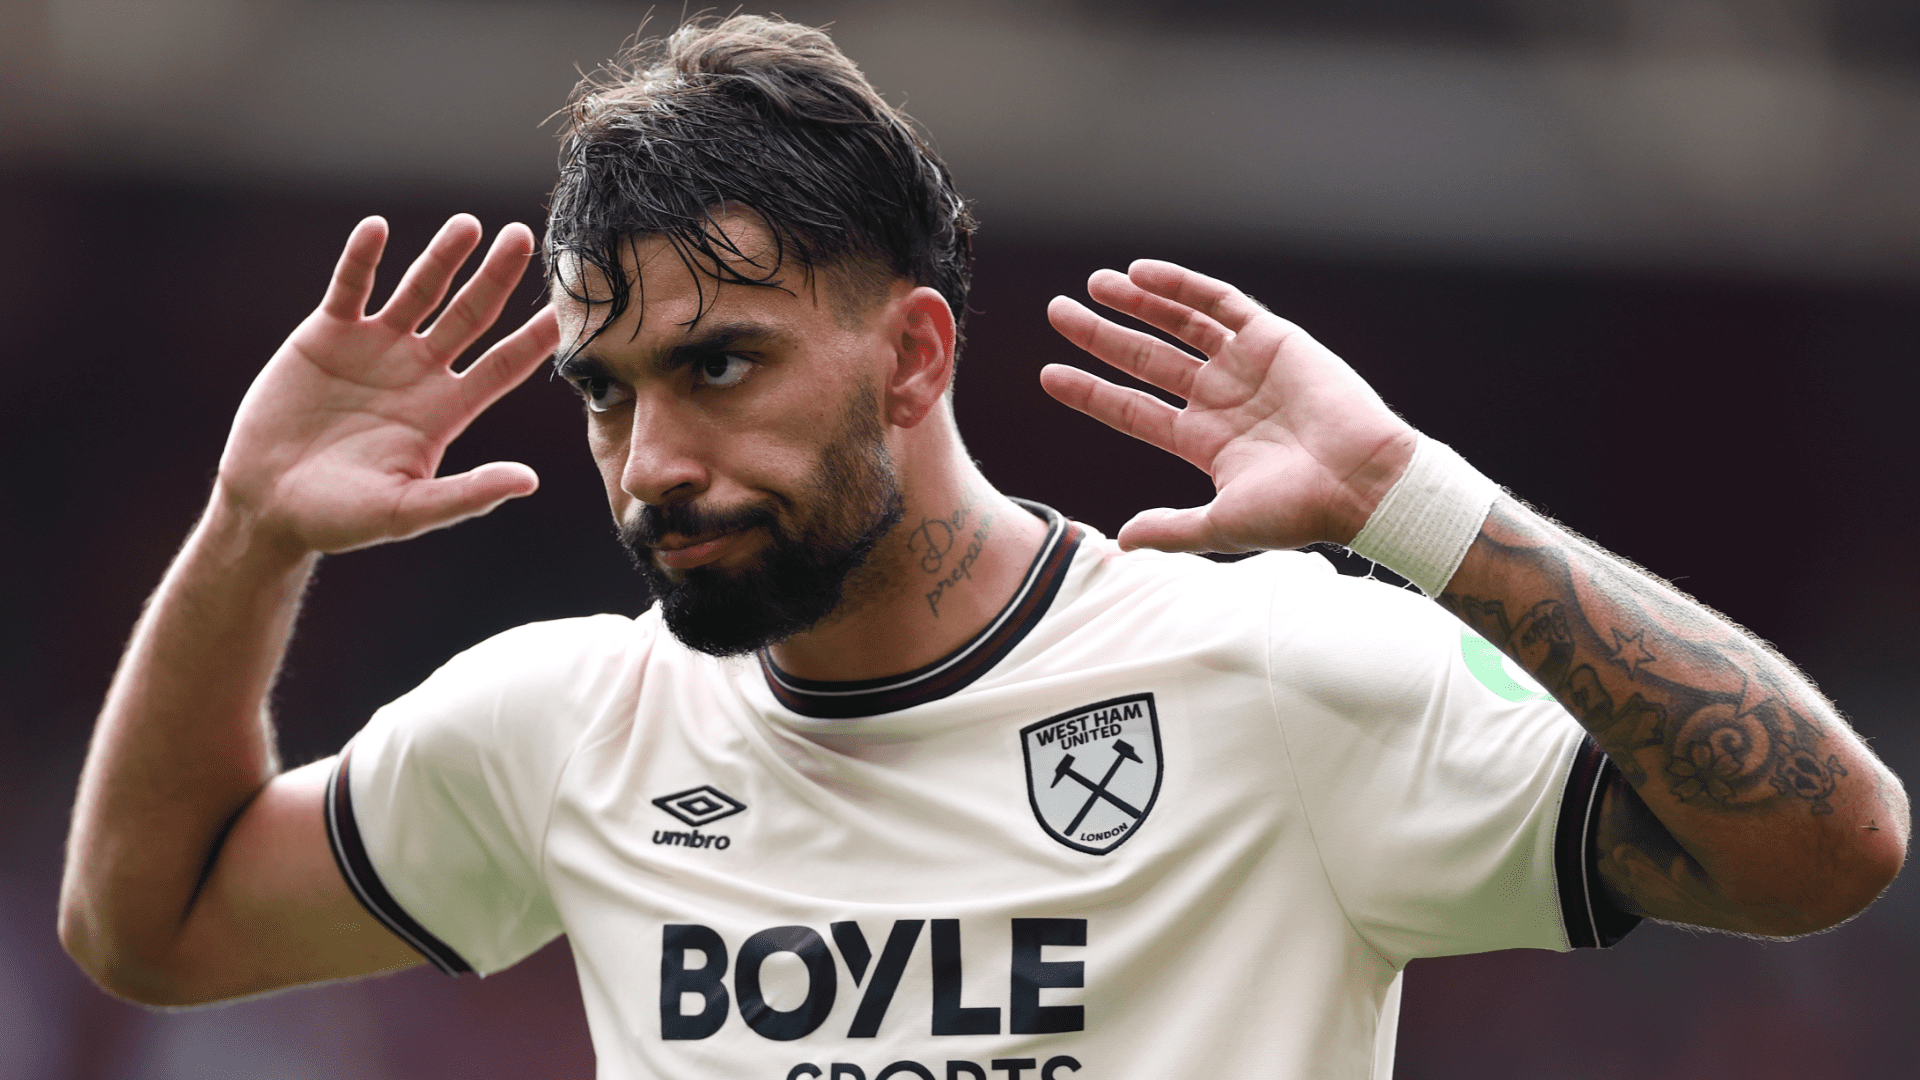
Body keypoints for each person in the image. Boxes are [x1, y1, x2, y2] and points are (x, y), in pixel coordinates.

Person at [59, 14, 1906, 1080]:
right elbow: (149, 929)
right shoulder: (560, 728)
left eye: (720, 364)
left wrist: (1413, 506)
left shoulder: (1272, 675)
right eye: (608, 393)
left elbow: (1825, 848)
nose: (657, 461)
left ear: (914, 354)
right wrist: (248, 534)